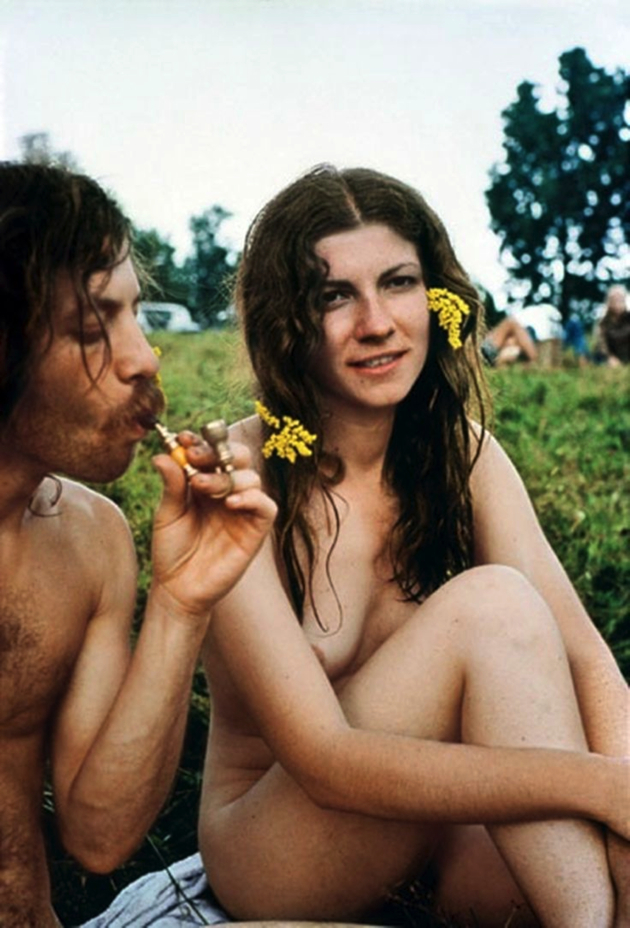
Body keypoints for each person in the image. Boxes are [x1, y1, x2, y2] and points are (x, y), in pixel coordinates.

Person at [192, 166, 629, 928]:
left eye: (398, 283)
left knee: (602, 867)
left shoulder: (462, 454)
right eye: (334, 296)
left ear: (436, 299)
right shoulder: (241, 479)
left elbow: (586, 660)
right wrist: (599, 787)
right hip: (282, 845)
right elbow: (324, 761)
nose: (377, 323)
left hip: (437, 825)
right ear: (285, 320)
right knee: (494, 605)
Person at [0, 162, 276, 928]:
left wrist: (182, 603)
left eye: (133, 316)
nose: (144, 358)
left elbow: (100, 836)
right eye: (95, 329)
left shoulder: (91, 538)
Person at [593, 285, 630, 366]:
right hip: (610, 356)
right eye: (614, 300)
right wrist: (610, 357)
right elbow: (602, 343)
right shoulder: (603, 321)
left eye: (620, 300)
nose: (617, 303)